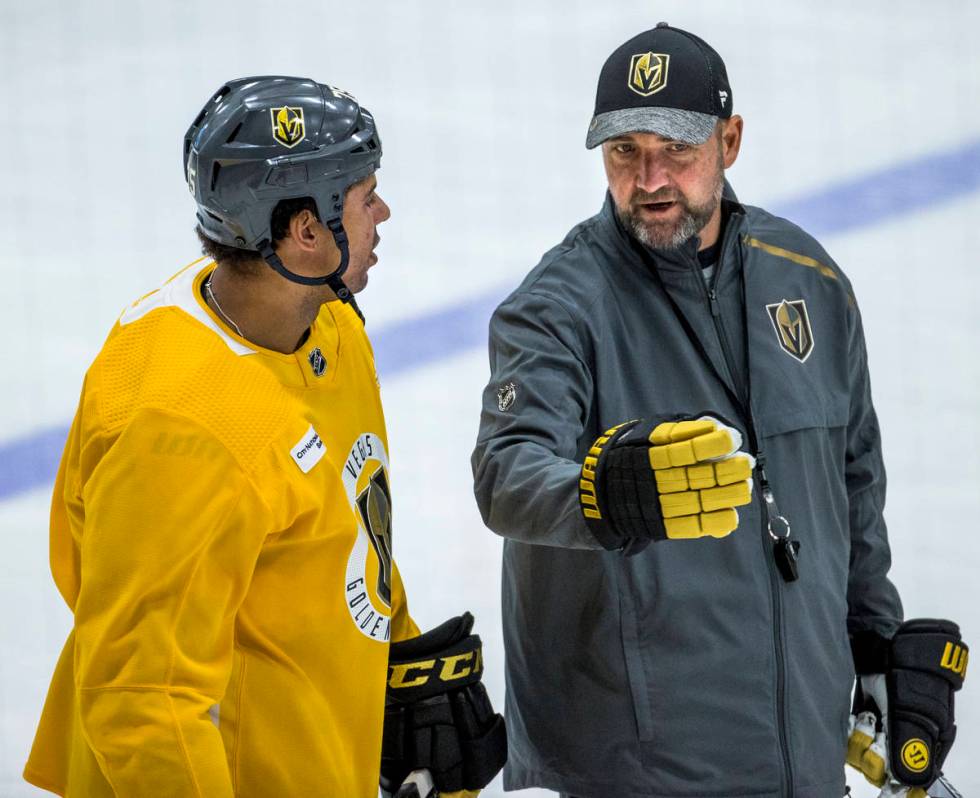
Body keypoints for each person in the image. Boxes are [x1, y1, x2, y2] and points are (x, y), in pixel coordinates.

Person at [472, 24, 966, 798]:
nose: (650, 178)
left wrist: (876, 646)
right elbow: (507, 471)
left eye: (677, 148)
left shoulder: (807, 279)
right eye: (624, 152)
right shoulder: (557, 306)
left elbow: (853, 479)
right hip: (634, 772)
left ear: (729, 140)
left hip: (800, 759)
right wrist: (607, 492)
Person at [24, 76, 504, 798]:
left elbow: (349, 508)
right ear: (305, 232)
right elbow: (144, 700)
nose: (383, 212)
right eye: (364, 195)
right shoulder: (184, 429)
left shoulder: (325, 321)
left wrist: (392, 658)